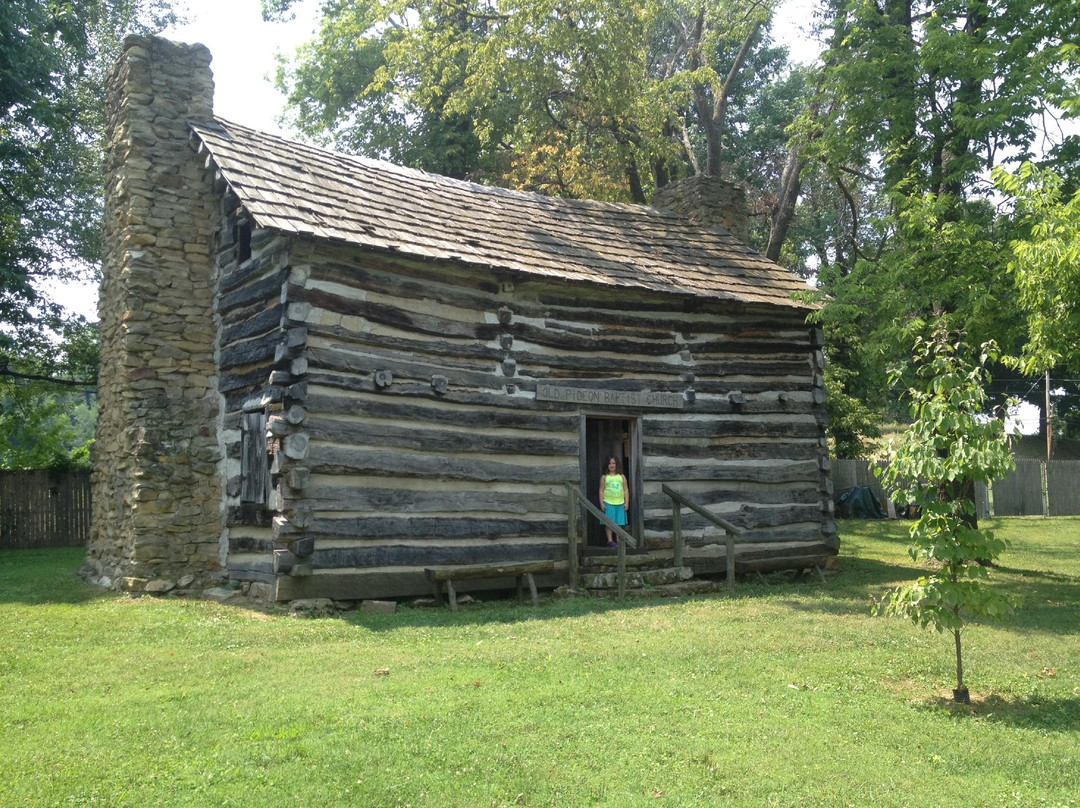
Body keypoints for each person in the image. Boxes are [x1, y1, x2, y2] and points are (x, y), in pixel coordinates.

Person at [598, 456, 629, 548]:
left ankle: (619, 540)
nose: (612, 465)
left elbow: (626, 490)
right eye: (610, 463)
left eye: (614, 463)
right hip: (608, 503)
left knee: (619, 523)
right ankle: (610, 541)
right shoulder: (604, 477)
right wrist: (601, 503)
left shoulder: (622, 477)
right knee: (609, 523)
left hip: (620, 503)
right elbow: (601, 490)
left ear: (617, 465)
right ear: (607, 465)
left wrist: (627, 502)